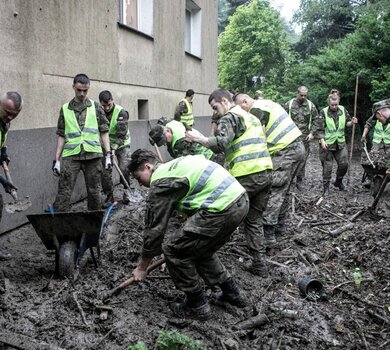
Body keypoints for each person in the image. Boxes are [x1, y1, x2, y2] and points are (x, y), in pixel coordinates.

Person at [129, 149, 249, 320]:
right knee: (199, 249)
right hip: (240, 200)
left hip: (220, 208)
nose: (140, 184)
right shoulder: (173, 166)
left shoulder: (160, 183)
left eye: (138, 178)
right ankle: (232, 292)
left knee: (173, 250)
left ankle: (197, 305)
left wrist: (142, 267)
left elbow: (154, 229)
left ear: (148, 167)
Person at [185, 89, 273, 276]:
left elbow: (221, 144)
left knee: (221, 213)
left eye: (215, 107)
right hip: (265, 173)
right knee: (254, 221)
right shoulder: (249, 116)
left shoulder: (230, 117)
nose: (215, 112)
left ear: (224, 101)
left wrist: (198, 138)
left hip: (246, 175)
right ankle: (260, 265)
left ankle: (203, 254)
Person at [233, 93, 305, 243]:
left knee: (274, 191)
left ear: (245, 101)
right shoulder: (267, 103)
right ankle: (279, 227)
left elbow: (258, 134)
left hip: (285, 150)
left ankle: (268, 234)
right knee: (284, 190)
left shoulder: (255, 110)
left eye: (241, 108)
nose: (243, 113)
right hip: (297, 147)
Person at [52, 73, 112, 212]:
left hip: (93, 156)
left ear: (88, 88)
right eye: (79, 90)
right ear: (73, 87)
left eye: (85, 90)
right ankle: (61, 226)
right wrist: (56, 160)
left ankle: (94, 226)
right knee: (64, 191)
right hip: (71, 156)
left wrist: (108, 155)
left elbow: (104, 131)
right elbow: (61, 134)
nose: (82, 93)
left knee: (94, 192)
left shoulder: (96, 107)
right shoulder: (65, 108)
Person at [317, 93, 358, 195]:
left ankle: (338, 181)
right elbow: (319, 128)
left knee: (344, 164)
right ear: (329, 103)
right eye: (332, 105)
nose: (334, 107)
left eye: (336, 104)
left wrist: (352, 122)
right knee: (327, 167)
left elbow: (347, 123)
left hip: (340, 142)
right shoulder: (323, 112)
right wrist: (322, 140)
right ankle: (326, 187)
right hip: (326, 144)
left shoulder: (343, 110)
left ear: (338, 102)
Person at [99, 90, 131, 206]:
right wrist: (107, 149)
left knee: (124, 167)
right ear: (100, 103)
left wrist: (113, 149)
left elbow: (121, 135)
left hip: (122, 144)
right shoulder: (98, 112)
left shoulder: (121, 112)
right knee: (105, 171)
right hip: (105, 145)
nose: (107, 108)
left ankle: (127, 192)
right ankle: (109, 196)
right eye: (104, 105)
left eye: (109, 105)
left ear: (113, 100)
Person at [0, 92, 22, 260]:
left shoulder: (5, 122)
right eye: (7, 112)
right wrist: (4, 182)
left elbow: (2, 141)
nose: (10, 117)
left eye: (14, 115)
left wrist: (4, 154)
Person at [284, 86, 318, 189]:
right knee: (288, 158)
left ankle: (300, 179)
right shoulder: (288, 105)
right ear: (297, 93)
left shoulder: (310, 106)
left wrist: (312, 133)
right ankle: (287, 179)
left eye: (305, 95)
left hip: (304, 137)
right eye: (301, 95)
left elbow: (317, 120)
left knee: (302, 159)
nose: (303, 97)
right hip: (290, 137)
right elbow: (281, 119)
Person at [361, 100, 390, 196]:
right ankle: (370, 178)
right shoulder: (377, 116)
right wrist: (364, 136)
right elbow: (368, 124)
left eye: (377, 118)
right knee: (372, 160)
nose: (377, 120)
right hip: (377, 142)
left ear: (379, 113)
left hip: (389, 144)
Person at [149, 120, 215, 160]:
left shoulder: (180, 143)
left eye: (165, 140)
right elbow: (162, 120)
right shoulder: (169, 124)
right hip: (207, 150)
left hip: (206, 157)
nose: (164, 144)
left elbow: (183, 164)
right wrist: (153, 139)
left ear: (167, 130)